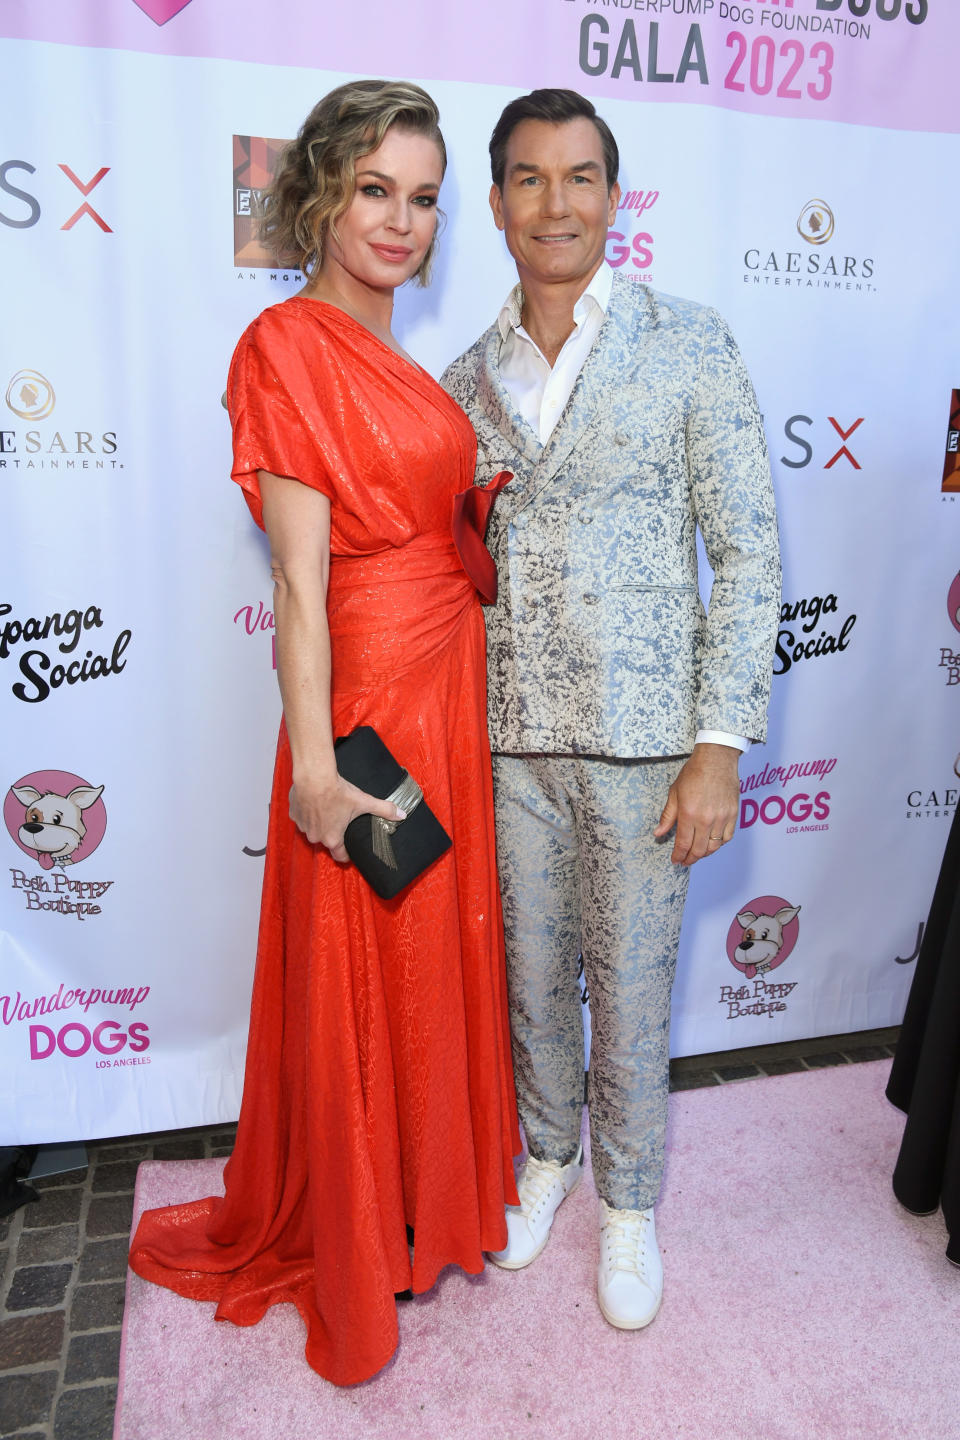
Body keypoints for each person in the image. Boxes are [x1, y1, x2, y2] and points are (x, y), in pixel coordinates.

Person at [129, 79, 520, 1387]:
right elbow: (300, 580)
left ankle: (413, 1202)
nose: (400, 222)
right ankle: (360, 1231)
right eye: (374, 191)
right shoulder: (288, 349)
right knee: (377, 956)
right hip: (366, 709)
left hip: (445, 686)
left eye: (421, 198)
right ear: (320, 193)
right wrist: (312, 765)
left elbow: (423, 526)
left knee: (427, 952)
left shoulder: (406, 361)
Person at [442, 88, 781, 1330]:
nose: (556, 203)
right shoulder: (461, 379)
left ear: (615, 198)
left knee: (633, 985)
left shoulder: (690, 342)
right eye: (529, 179)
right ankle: (547, 1161)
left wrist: (719, 746)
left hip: (650, 746)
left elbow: (747, 555)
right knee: (531, 976)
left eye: (580, 177)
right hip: (507, 738)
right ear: (494, 205)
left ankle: (629, 1202)